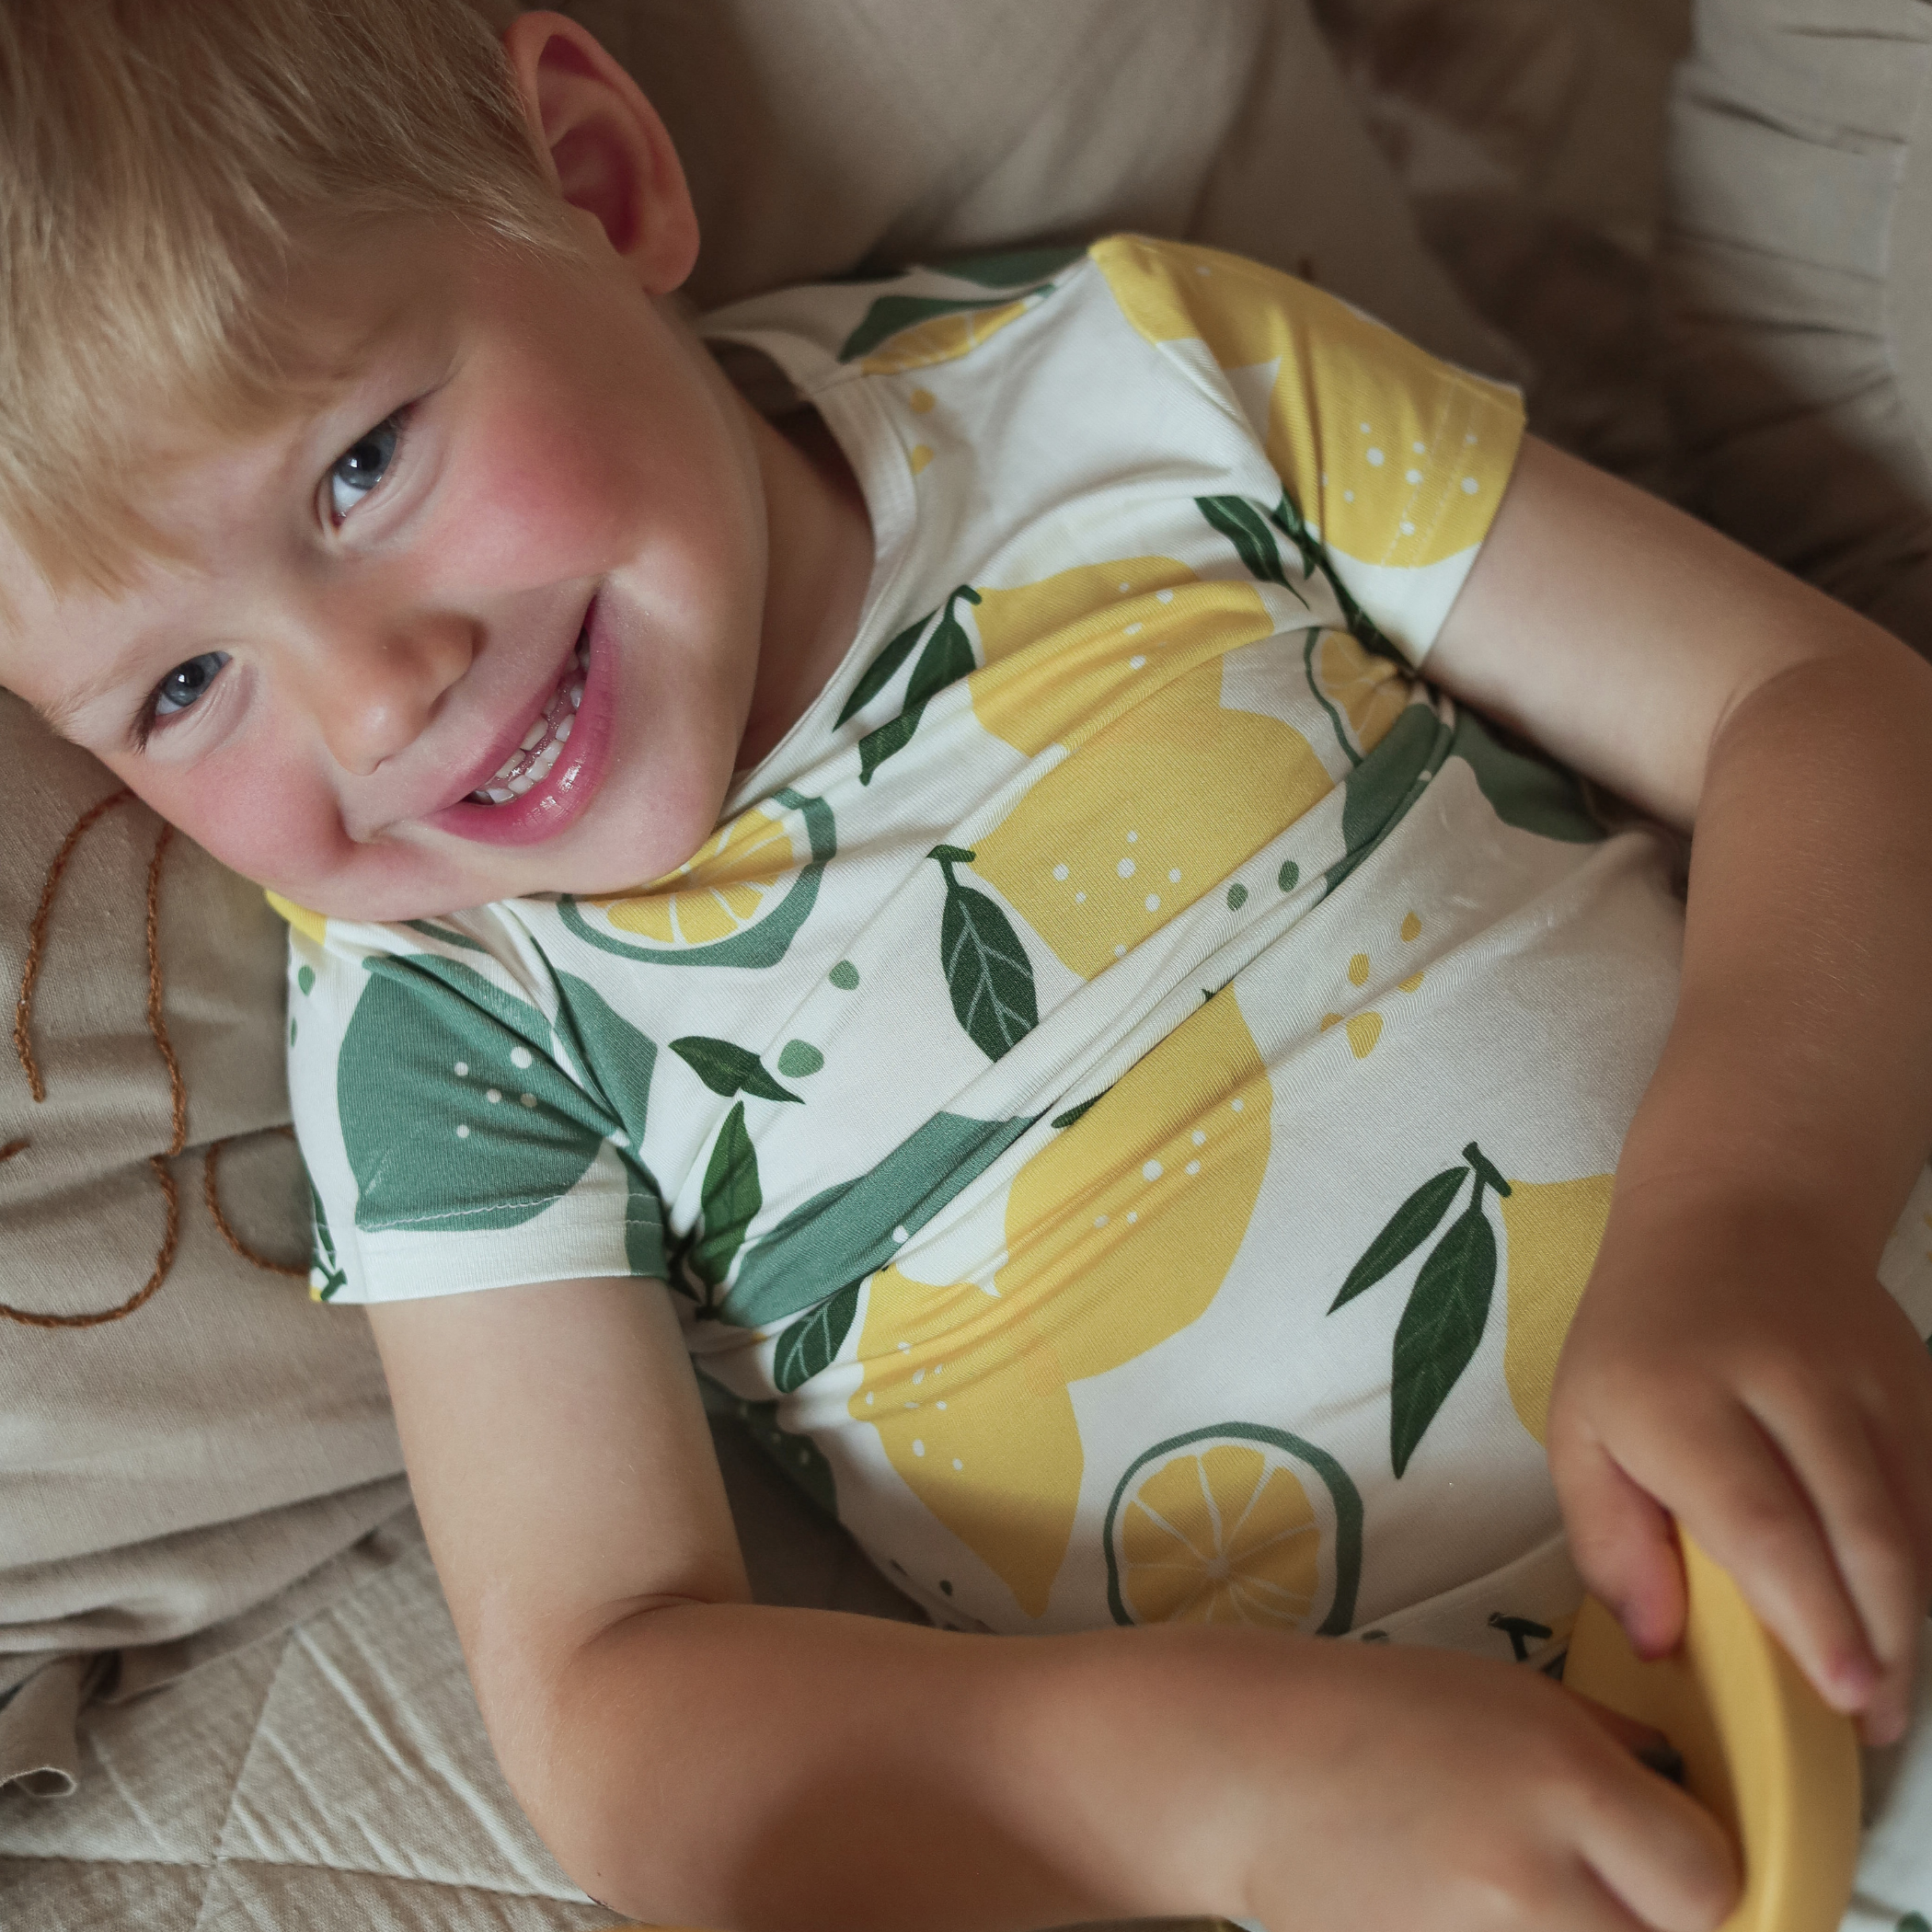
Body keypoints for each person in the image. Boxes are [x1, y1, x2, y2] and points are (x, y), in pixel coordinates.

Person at [4, 3, 1930, 1926]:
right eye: (181, 686)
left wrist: (1755, 1211)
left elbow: (1812, 703)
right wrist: (1205, 1801)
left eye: (361, 467)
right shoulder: (441, 1004)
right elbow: (613, 1702)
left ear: (594, 177)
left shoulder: (1134, 380)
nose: (376, 702)